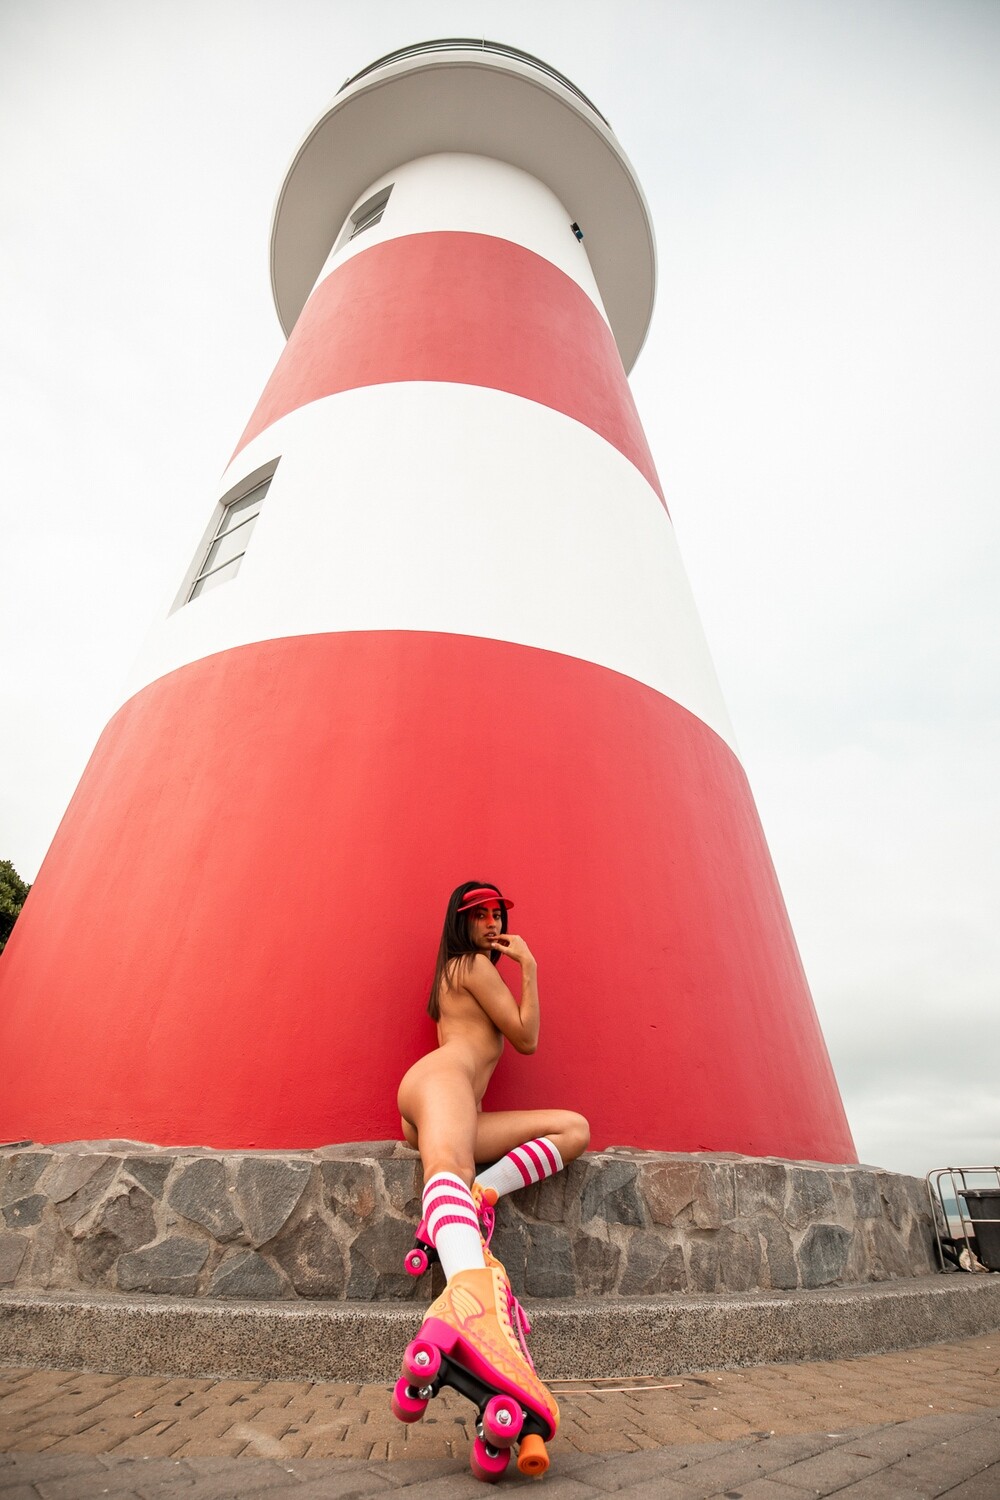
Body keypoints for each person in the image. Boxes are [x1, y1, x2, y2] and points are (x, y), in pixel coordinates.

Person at [392, 880, 590, 1478]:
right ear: (461, 922)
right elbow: (526, 1037)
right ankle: (472, 1302)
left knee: (573, 1129)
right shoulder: (472, 964)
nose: (492, 922)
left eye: (497, 912)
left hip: (458, 1109)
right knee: (448, 1167)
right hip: (441, 1083)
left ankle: (483, 1192)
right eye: (479, 914)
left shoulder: (458, 971)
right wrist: (529, 966)